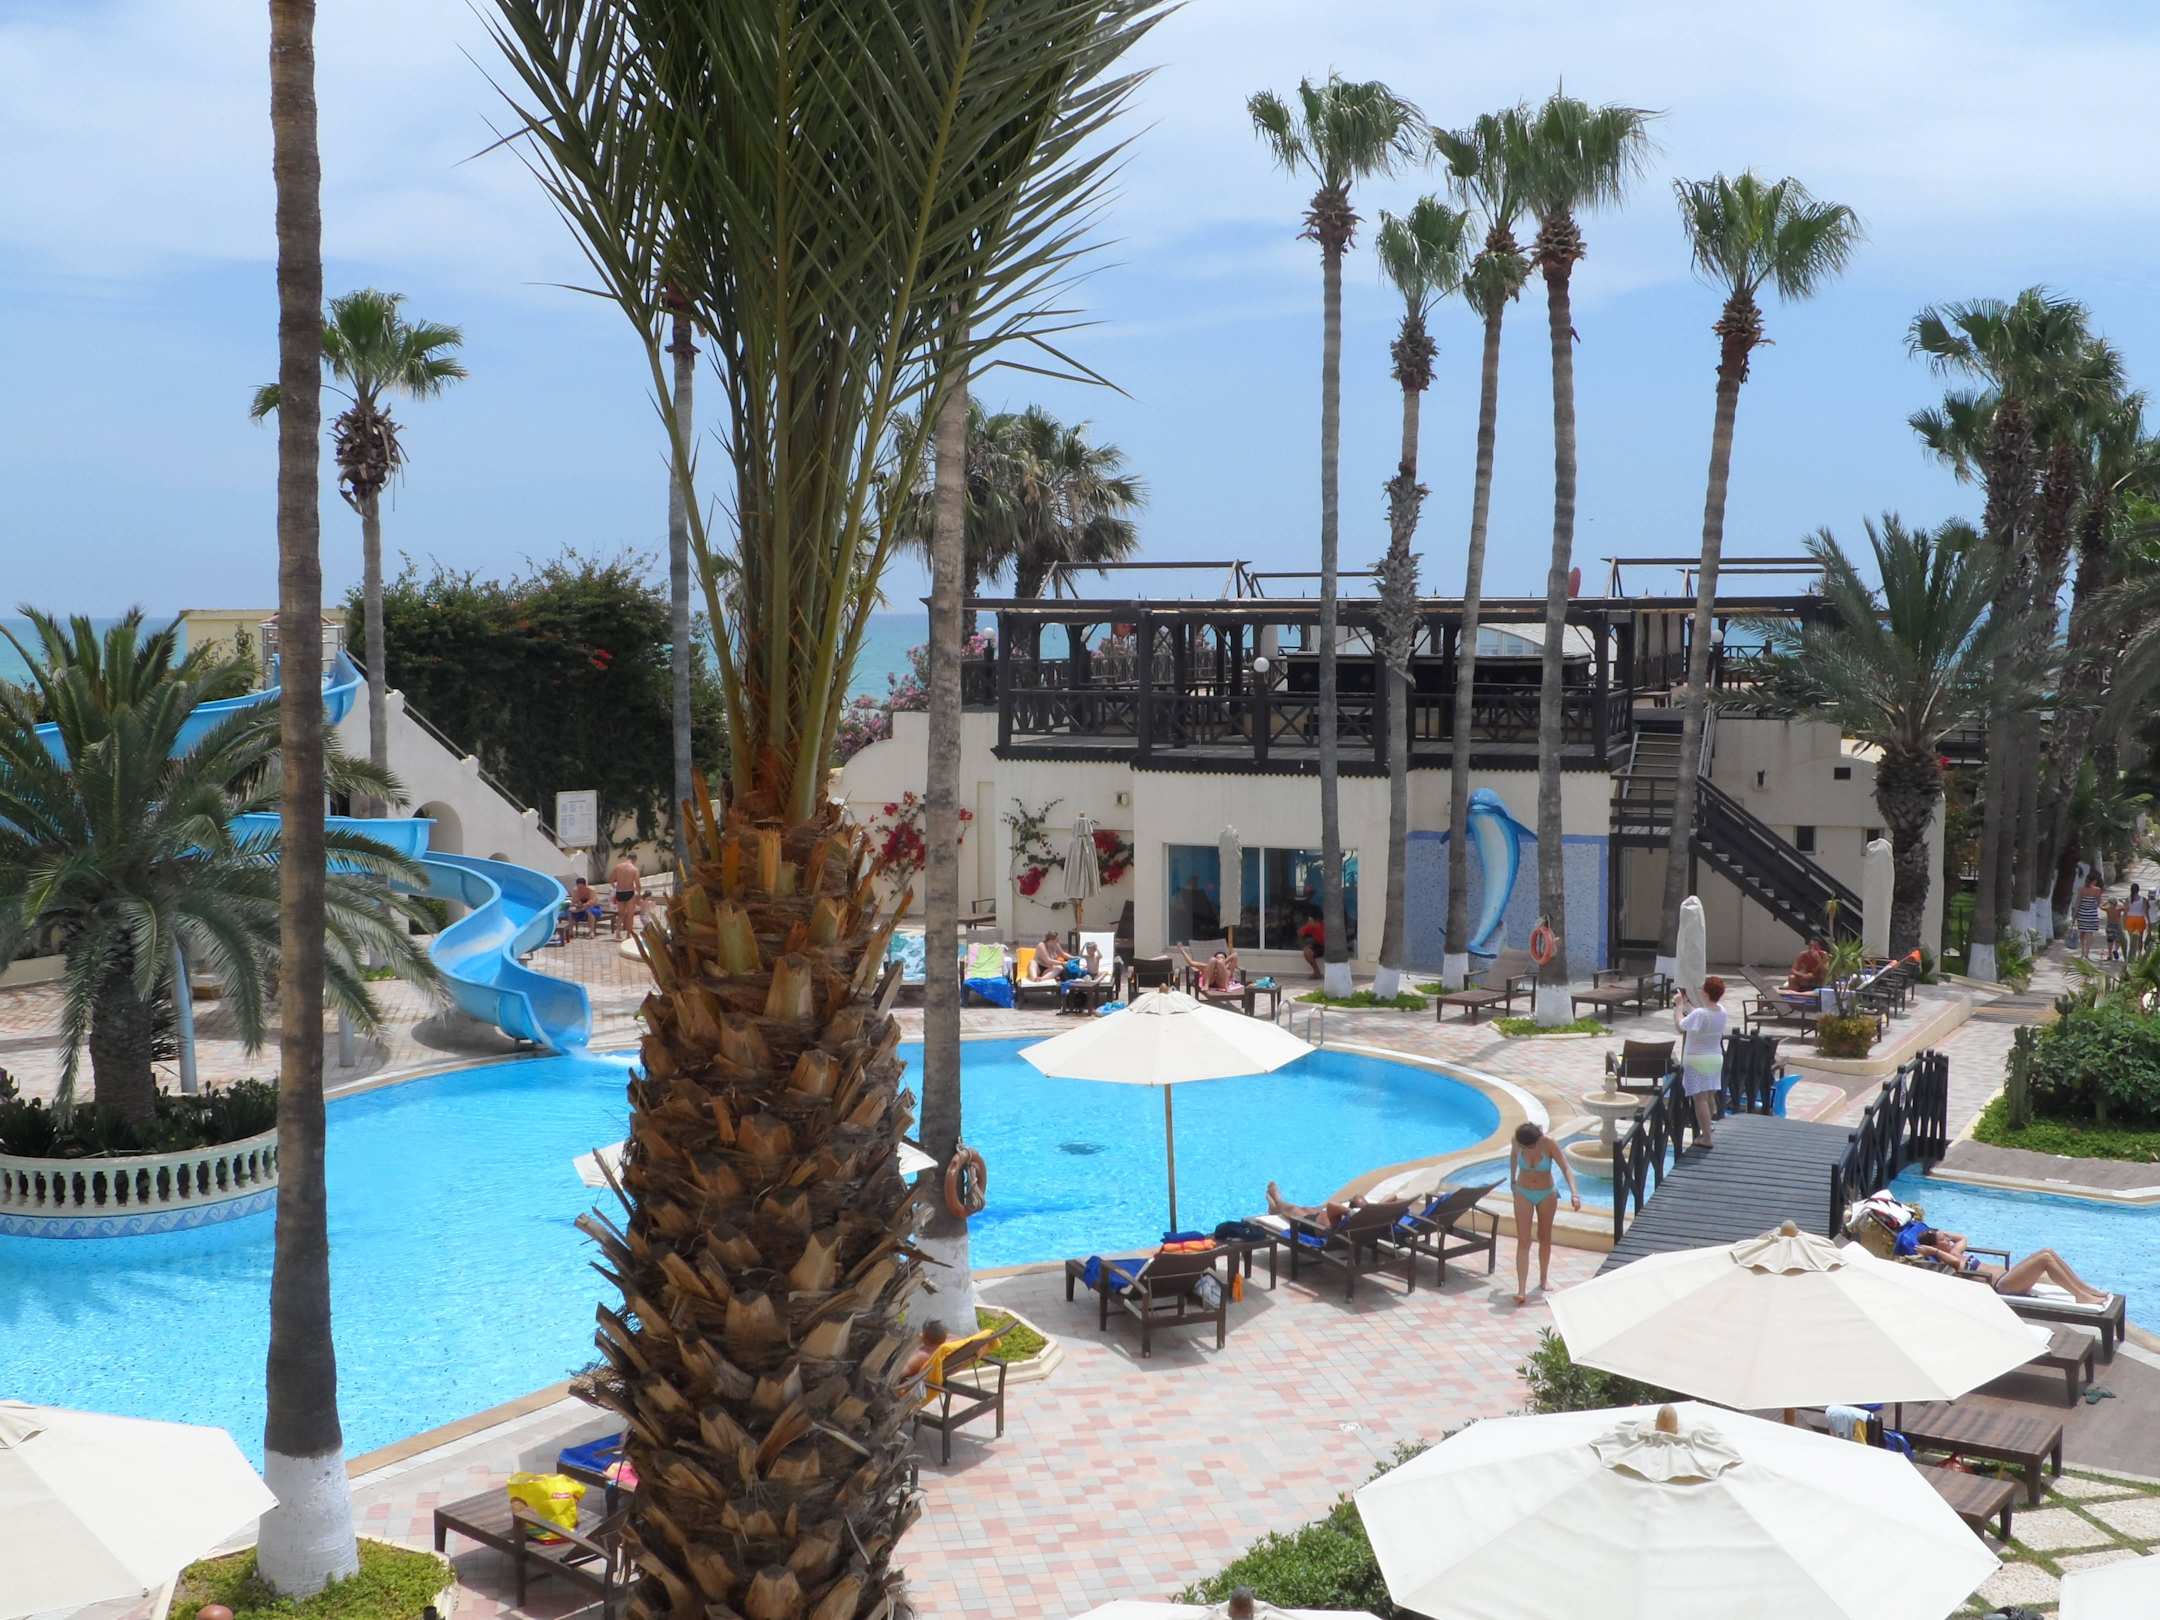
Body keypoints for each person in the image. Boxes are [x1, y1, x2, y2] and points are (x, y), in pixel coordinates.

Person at [1898, 1218, 2113, 1306]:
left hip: (2009, 1277)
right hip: (2003, 1286)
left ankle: (2085, 1290)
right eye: (1943, 1239)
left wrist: (1940, 1233)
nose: (1948, 1239)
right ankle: (2080, 1295)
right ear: (1937, 1247)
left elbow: (1962, 1237)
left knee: (2048, 1252)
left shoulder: (1955, 1251)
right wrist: (1933, 1249)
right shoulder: (1950, 1259)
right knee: (2045, 1258)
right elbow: (1950, 1260)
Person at [1508, 1121, 1581, 1306]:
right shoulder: (1517, 1140)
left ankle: (1543, 1278)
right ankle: (1521, 1289)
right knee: (1523, 1240)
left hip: (1546, 1193)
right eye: (1526, 1147)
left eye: (1531, 1146)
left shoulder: (1549, 1143)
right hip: (1523, 1192)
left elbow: (1566, 1168)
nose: (1528, 1149)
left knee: (1544, 1237)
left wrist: (1574, 1193)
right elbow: (1513, 1157)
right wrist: (1512, 1181)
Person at [1674, 977, 1730, 1147]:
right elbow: (1700, 1015)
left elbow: (1680, 1026)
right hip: (1715, 1058)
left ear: (1705, 992)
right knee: (1709, 1094)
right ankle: (1709, 1126)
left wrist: (1678, 1006)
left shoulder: (1700, 1014)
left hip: (1697, 1058)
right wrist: (1687, 1004)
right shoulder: (1722, 1011)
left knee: (1700, 1100)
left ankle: (1706, 1138)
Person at [1176, 938, 1243, 997]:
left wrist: (1222, 963)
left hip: (1221, 983)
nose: (1219, 959)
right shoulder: (1207, 966)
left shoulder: (1228, 969)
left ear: (1225, 959)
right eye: (1217, 958)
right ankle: (1206, 985)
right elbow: (1191, 963)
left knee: (1221, 965)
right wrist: (1182, 951)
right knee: (1212, 960)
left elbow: (1235, 955)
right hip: (1210, 981)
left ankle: (1226, 986)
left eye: (1221, 958)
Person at [895, 1318, 949, 1384]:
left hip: (904, 1384)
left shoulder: (921, 1356)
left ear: (924, 1337)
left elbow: (898, 1374)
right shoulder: (941, 1350)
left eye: (923, 1332)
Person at [610, 853, 644, 937]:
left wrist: (615, 888)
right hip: (629, 892)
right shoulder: (634, 869)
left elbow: (611, 880)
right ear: (635, 859)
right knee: (630, 915)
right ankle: (628, 935)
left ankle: (618, 933)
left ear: (627, 858)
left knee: (621, 914)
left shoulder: (618, 867)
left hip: (619, 892)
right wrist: (639, 895)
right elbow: (638, 885)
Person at [2076, 872, 2106, 959]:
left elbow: (2078, 902)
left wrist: (2075, 915)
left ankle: (2082, 951)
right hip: (2092, 914)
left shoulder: (2081, 889)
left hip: (2082, 914)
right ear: (2093, 881)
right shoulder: (2097, 890)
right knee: (2090, 933)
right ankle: (2087, 953)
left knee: (2082, 933)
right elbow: (2099, 903)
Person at [1298, 913, 1325, 979]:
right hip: (1318, 946)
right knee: (1307, 952)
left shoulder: (1324, 926)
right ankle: (1317, 972)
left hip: (1328, 947)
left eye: (1310, 920)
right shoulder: (1310, 926)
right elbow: (1300, 933)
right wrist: (1307, 943)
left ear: (1316, 921)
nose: (1309, 922)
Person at [2128, 883, 2151, 960]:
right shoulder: (2143, 899)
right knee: (2140, 938)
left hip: (2130, 919)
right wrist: (2148, 922)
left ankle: (2132, 955)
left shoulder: (2128, 899)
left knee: (2132, 938)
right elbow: (2146, 911)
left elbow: (2126, 911)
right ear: (2138, 890)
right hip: (2140, 919)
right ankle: (2139, 954)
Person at [2104, 894, 2127, 963]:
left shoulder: (2107, 908)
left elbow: (2100, 906)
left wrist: (2105, 903)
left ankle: (2109, 954)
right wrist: (2123, 902)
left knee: (2110, 940)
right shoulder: (2118, 908)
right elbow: (2126, 908)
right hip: (2117, 925)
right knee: (2119, 939)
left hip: (2110, 925)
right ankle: (2115, 949)